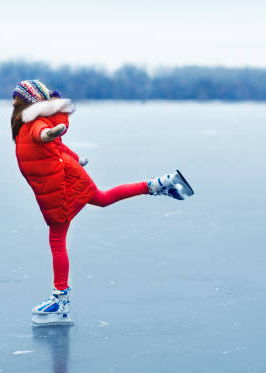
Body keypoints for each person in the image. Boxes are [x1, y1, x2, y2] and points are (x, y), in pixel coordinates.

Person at [11, 79, 194, 325]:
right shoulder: (25, 123)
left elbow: (43, 135)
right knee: (103, 199)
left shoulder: (35, 122)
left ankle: (60, 301)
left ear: (29, 101)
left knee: (57, 240)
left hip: (62, 184)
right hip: (65, 175)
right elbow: (56, 146)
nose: (14, 102)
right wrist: (74, 156)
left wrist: (50, 134)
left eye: (18, 98)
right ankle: (158, 184)